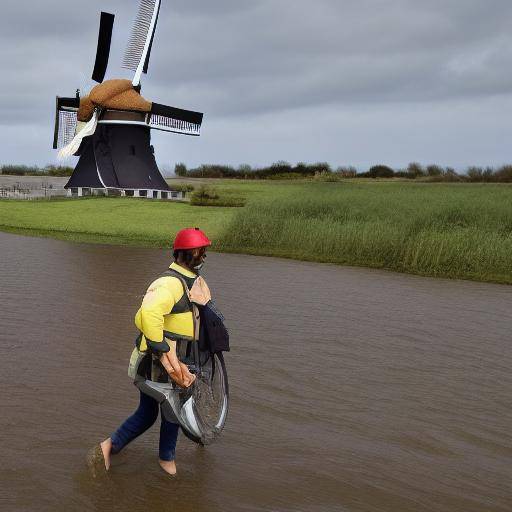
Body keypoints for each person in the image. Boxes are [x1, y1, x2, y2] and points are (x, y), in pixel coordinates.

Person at [94, 228, 212, 476]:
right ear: (182, 254)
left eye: (203, 252)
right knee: (171, 411)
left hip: (174, 359)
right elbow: (147, 313)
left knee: (149, 413)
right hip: (158, 363)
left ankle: (111, 447)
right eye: (197, 252)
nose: (201, 257)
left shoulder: (192, 282)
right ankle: (165, 460)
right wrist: (162, 348)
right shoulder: (169, 283)